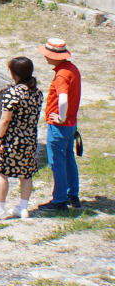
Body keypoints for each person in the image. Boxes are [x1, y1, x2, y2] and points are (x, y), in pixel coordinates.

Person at [0, 56, 42, 219]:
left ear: (15, 73)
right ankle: (22, 208)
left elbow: (6, 119)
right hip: (29, 139)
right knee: (26, 174)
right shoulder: (37, 93)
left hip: (13, 139)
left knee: (2, 172)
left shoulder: (13, 93)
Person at [35, 38, 82, 212]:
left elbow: (62, 99)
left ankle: (59, 200)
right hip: (71, 125)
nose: (45, 57)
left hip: (59, 126)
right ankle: (72, 194)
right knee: (69, 159)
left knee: (56, 162)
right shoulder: (72, 69)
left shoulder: (61, 74)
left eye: (47, 55)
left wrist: (61, 118)